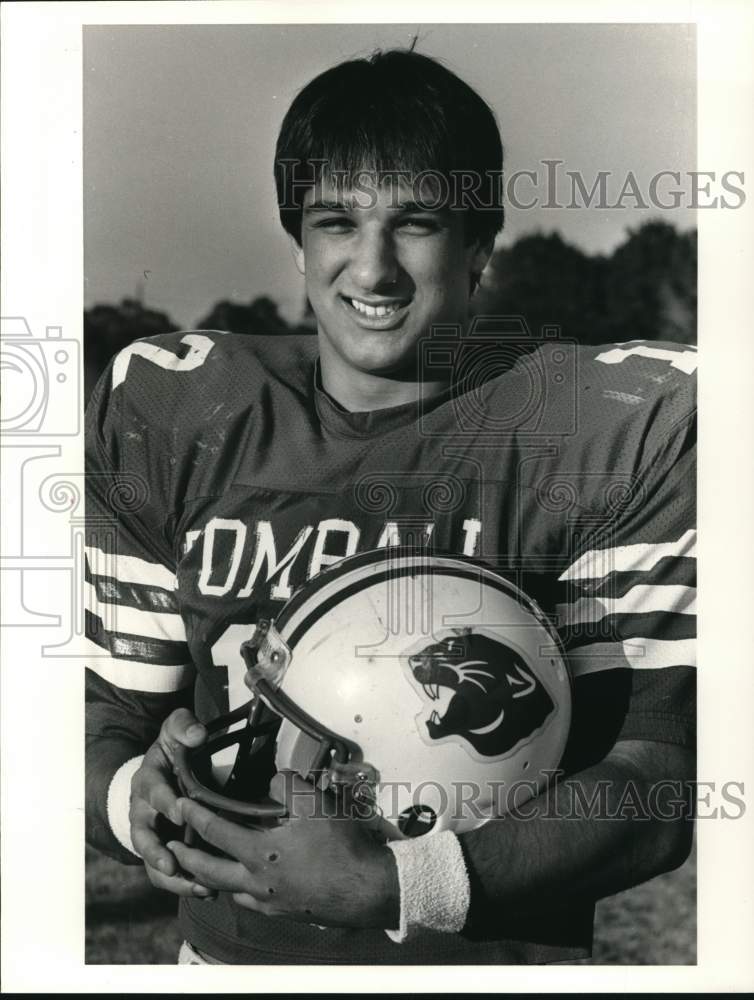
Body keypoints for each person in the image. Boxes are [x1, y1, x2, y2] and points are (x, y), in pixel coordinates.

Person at [85, 47, 696, 964]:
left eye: (416, 224)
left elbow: (657, 789)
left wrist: (402, 884)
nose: (373, 271)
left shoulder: (611, 428)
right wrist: (134, 798)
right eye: (338, 222)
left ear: (480, 243)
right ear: (299, 240)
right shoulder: (180, 411)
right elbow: (100, 726)